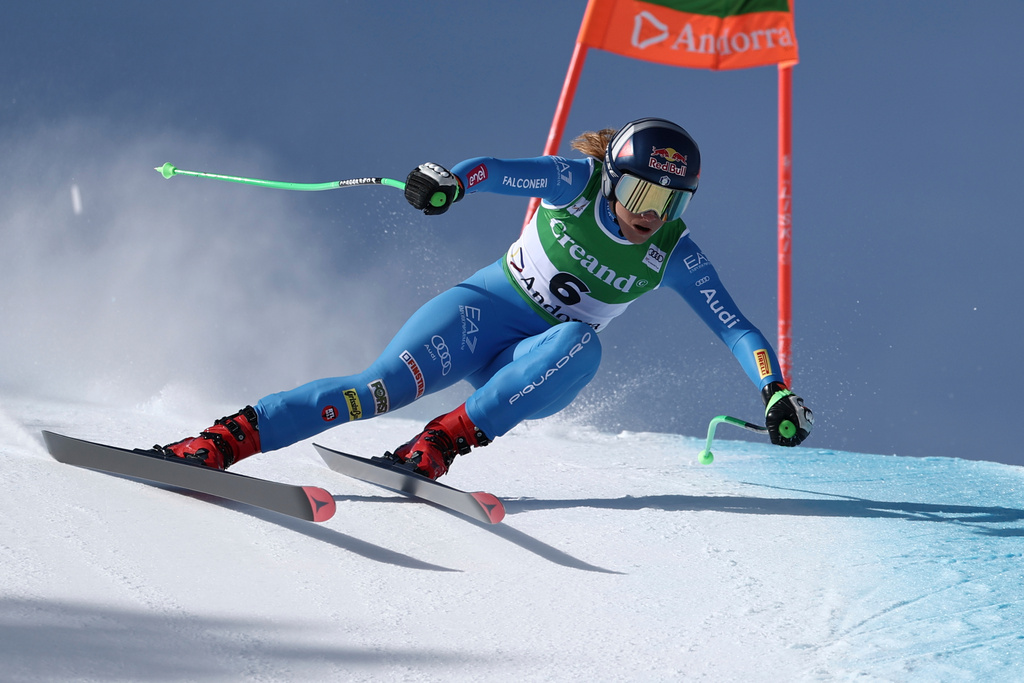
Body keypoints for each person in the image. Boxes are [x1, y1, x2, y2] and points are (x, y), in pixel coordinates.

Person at [155, 117, 813, 479]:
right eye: (641, 194)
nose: (651, 214)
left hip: (533, 365)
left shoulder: (672, 253)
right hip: (476, 317)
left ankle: (444, 440)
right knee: (374, 389)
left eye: (669, 202)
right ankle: (223, 441)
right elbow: (494, 170)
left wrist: (774, 390)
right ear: (612, 177)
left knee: (581, 342)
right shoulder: (578, 183)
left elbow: (738, 329)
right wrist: (451, 182)